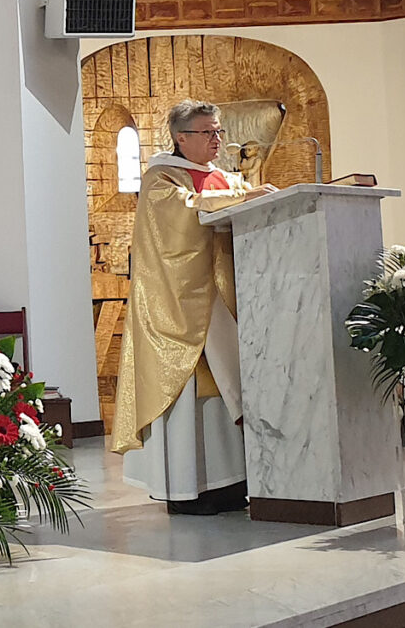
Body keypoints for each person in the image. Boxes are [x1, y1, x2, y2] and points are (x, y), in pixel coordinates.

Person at [112, 99, 277, 516]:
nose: (217, 139)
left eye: (218, 131)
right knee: (194, 397)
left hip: (225, 301)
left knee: (227, 394)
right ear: (181, 138)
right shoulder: (162, 179)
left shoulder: (224, 178)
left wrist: (251, 196)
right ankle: (189, 488)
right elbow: (185, 214)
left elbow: (232, 202)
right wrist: (243, 197)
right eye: (207, 132)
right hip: (181, 305)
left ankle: (233, 483)